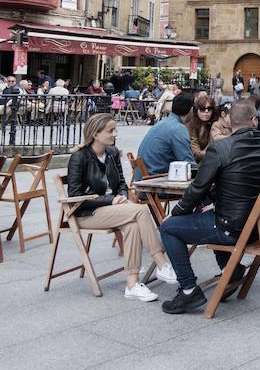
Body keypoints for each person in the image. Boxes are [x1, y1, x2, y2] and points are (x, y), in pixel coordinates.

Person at [159, 99, 260, 314]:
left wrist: (174, 213)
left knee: (168, 228)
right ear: (254, 120)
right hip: (257, 226)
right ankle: (230, 270)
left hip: (231, 228)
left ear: (230, 121)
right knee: (208, 209)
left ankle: (188, 290)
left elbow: (198, 187)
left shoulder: (221, 148)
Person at [67, 113, 177, 301]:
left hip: (112, 209)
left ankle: (132, 284)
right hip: (86, 212)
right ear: (95, 133)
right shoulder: (80, 157)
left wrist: (122, 197)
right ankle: (161, 262)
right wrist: (110, 200)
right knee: (141, 210)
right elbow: (75, 196)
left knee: (133, 225)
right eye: (111, 130)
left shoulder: (111, 153)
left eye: (115, 129)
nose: (115, 134)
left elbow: (122, 185)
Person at [137, 93, 195, 177]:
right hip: (154, 178)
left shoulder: (165, 123)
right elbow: (188, 163)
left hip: (143, 175)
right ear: (191, 110)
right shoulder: (178, 129)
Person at [187, 93, 218, 161]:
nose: (206, 112)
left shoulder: (216, 123)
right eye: (202, 109)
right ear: (196, 110)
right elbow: (196, 153)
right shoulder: (192, 125)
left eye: (209, 109)